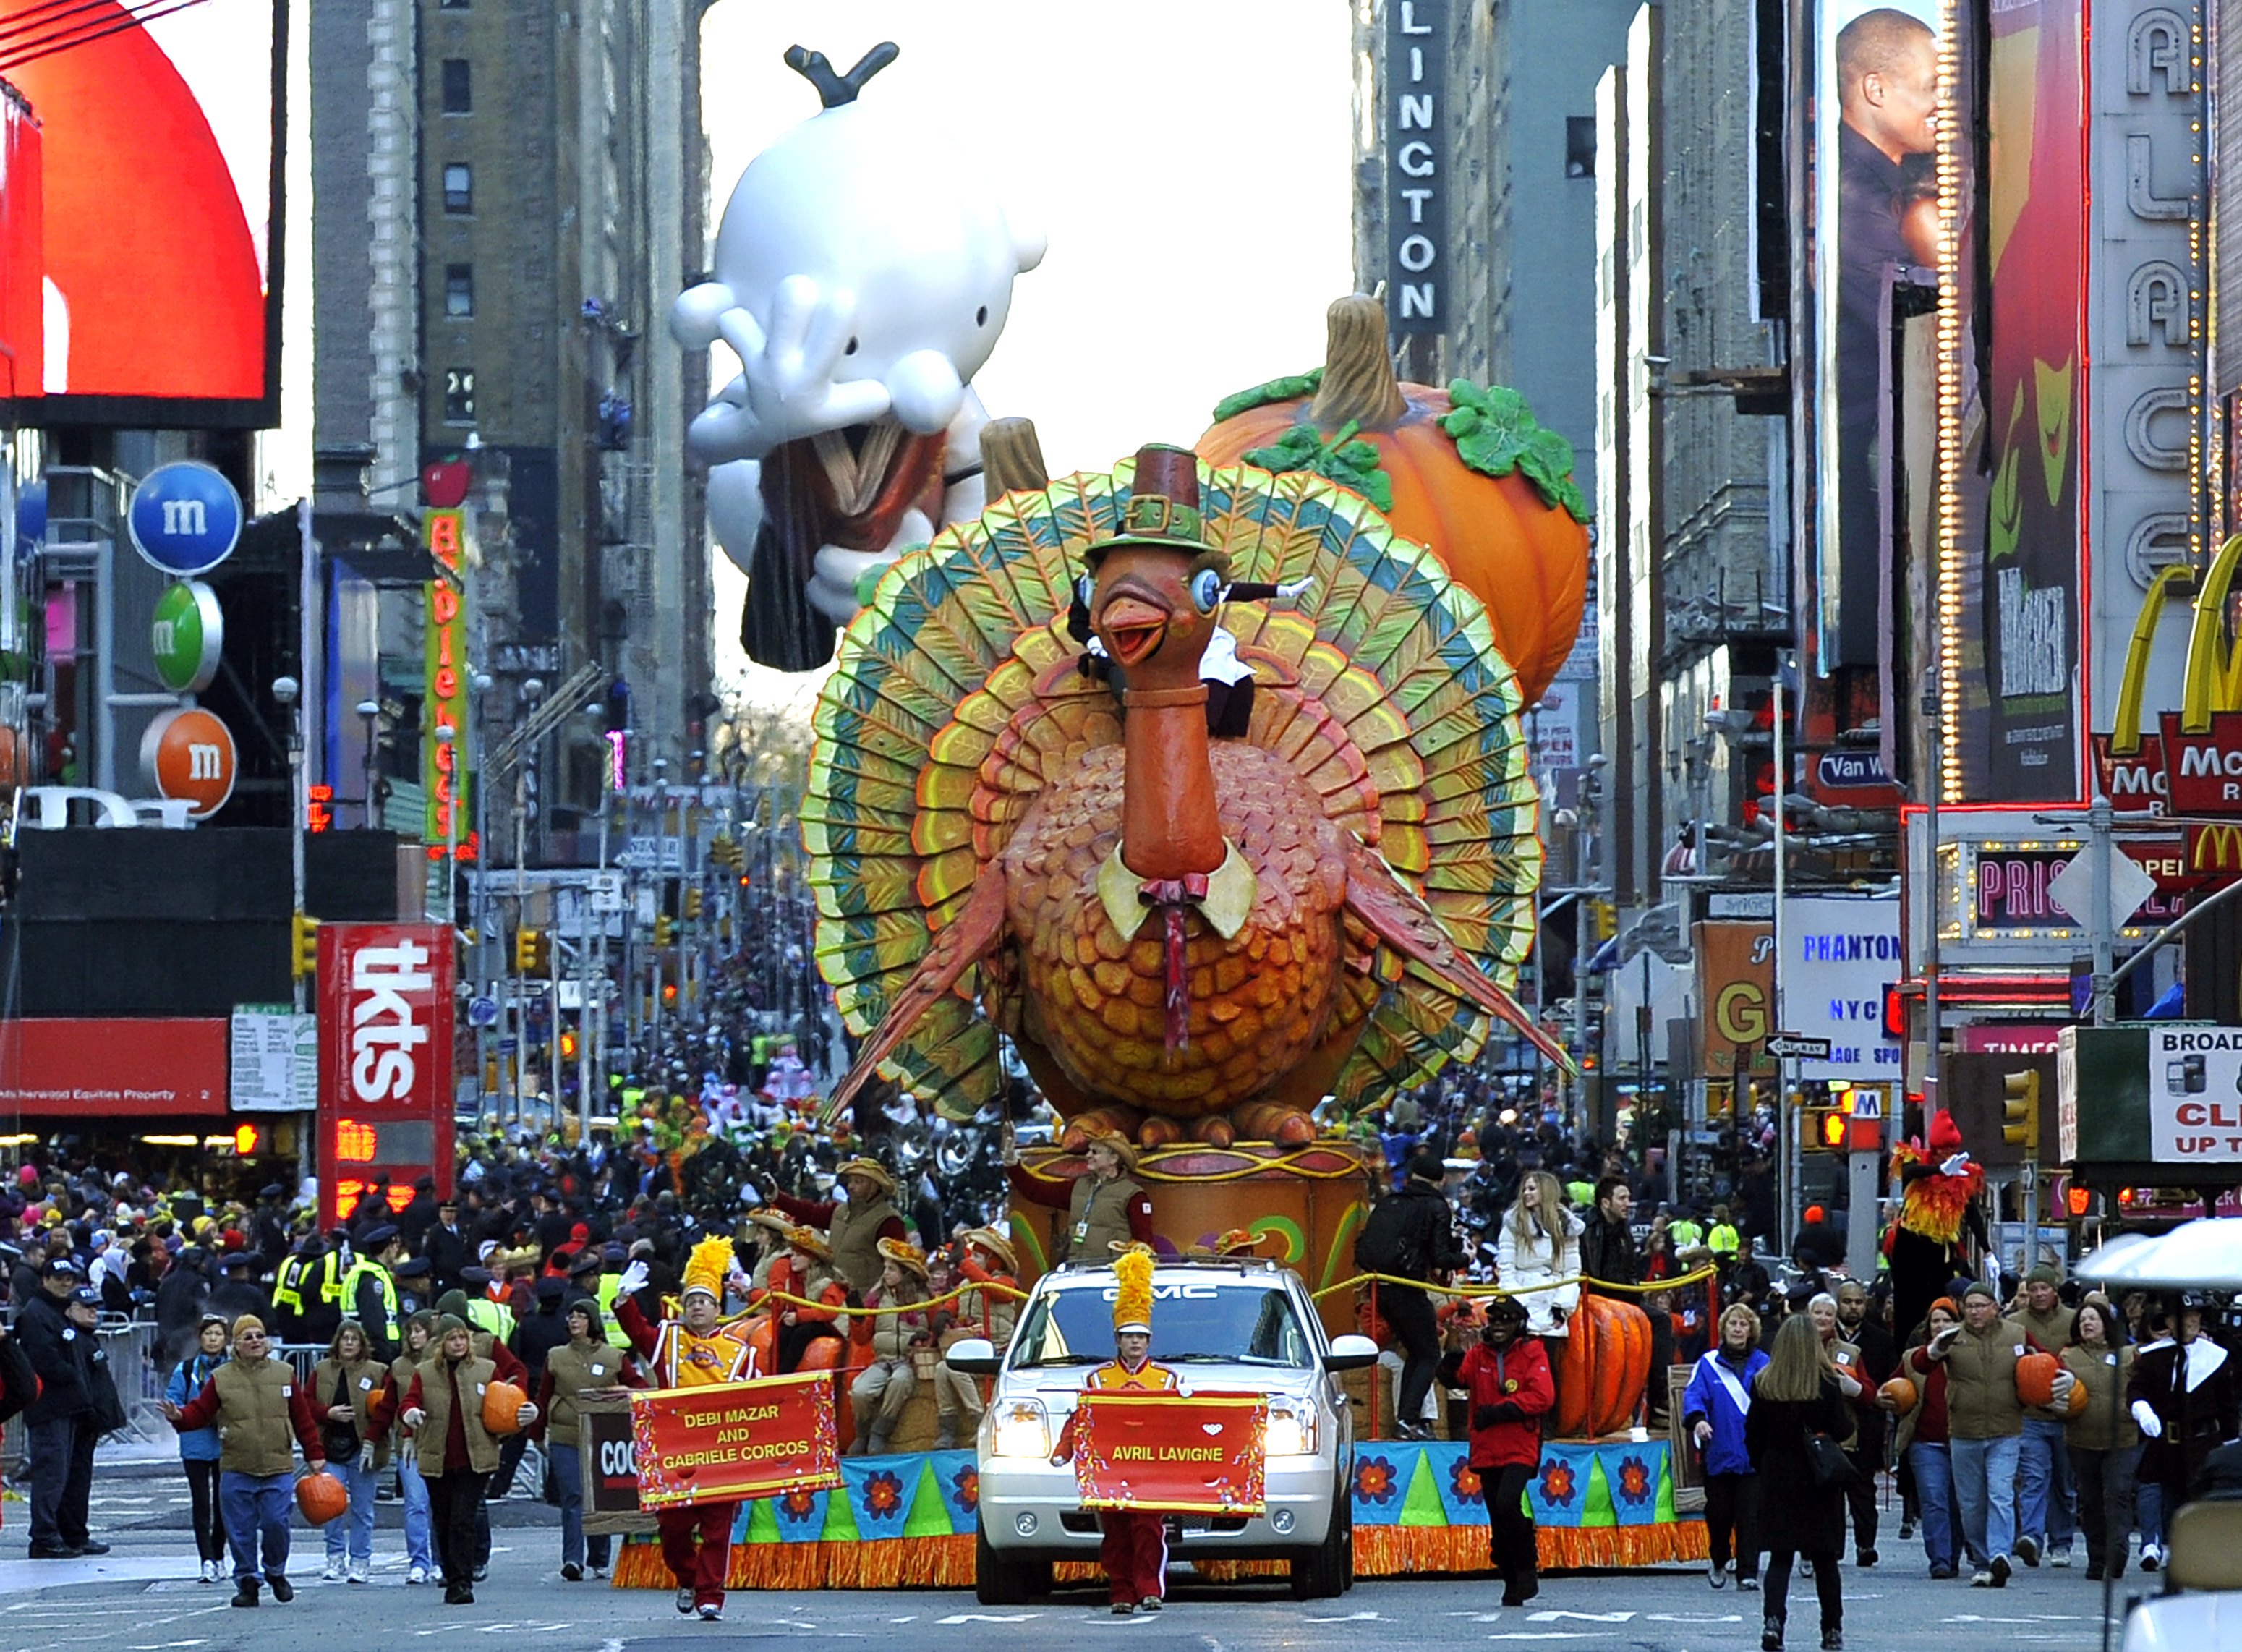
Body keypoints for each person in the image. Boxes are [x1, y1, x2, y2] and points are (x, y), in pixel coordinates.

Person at [613, 1238, 756, 1621]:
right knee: (673, 1529)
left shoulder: (740, 1351)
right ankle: (688, 1578)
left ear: (717, 1309)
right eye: (691, 1300)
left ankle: (712, 1595)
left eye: (704, 1301)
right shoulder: (666, 1338)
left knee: (717, 1527)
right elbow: (637, 1332)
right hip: (676, 1451)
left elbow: (758, 1400)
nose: (696, 1307)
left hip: (722, 1452)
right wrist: (623, 1299)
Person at [159, 1314, 328, 1609]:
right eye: (247, 1337)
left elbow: (302, 1419)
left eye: (259, 1336)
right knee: (240, 1529)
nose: (254, 1341)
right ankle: (248, 1581)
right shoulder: (221, 1378)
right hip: (237, 1464)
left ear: (267, 1342)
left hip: (277, 1465)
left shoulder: (284, 1373)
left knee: (277, 1523)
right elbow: (200, 1412)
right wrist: (179, 1417)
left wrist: (314, 1454)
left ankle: (275, 1571)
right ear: (235, 1344)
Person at [1049, 1246, 1176, 1615]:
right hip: (1109, 1469)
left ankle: (1150, 1589)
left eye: (1140, 1337)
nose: (1134, 1343)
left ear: (1149, 1341)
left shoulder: (1167, 1379)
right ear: (1117, 1340)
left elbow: (1181, 1426)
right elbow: (1081, 1419)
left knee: (1149, 1530)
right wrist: (1064, 1448)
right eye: (1128, 1336)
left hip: (1150, 1471)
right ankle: (1121, 1592)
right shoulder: (1098, 1377)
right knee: (1116, 1534)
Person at [396, 1314, 537, 1606]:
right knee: (444, 1519)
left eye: (462, 1338)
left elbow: (506, 1404)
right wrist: (409, 1416)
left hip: (476, 1457)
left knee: (463, 1519)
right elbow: (410, 1401)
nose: (458, 1343)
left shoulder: (486, 1370)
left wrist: (525, 1415)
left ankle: (462, 1582)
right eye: (452, 1338)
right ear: (441, 1343)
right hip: (438, 1456)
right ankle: (451, 1572)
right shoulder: (425, 1372)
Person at [1745, 1316, 1851, 1652]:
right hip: (1818, 1479)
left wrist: (1763, 1465)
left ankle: (1773, 1623)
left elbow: (1753, 1435)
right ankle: (1831, 1629)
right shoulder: (1827, 1383)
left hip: (1778, 1476)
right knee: (1824, 1561)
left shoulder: (1765, 1384)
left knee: (1780, 1559)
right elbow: (1844, 1429)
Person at [1926, 1281, 2030, 1587]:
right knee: (1971, 1503)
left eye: (1980, 1305)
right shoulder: (1953, 1337)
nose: (1974, 1311)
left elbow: (2045, 1361)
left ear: (1995, 1307)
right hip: (1964, 1431)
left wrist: (2059, 1379)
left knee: (2000, 1493)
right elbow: (1921, 1363)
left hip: (2005, 1429)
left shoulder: (2016, 1335)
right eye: (1969, 1306)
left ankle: (2000, 1554)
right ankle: (1983, 1561)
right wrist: (1935, 1350)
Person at [1355, 1151, 1466, 1439]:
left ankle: (1408, 1420)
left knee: (1416, 1353)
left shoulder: (1391, 1202)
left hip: (1384, 1288)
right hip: (1409, 1288)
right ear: (1440, 1180)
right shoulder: (1435, 1206)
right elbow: (1440, 1255)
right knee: (1429, 1354)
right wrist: (1462, 1256)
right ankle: (1408, 1420)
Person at [1456, 1295, 1555, 1606]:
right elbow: (1460, 1377)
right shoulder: (1478, 1354)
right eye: (1494, 1320)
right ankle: (1511, 1582)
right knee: (1498, 1516)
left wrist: (1500, 1411)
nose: (1498, 1326)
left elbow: (1543, 1397)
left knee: (1508, 1501)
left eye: (1505, 1321)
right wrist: (1445, 1365)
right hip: (1487, 1446)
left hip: (1520, 1445)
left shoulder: (1532, 1353)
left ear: (1518, 1324)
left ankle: (1526, 1564)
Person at [2128, 1292, 2241, 1561]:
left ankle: (2198, 1550)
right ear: (2169, 1322)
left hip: (2205, 1441)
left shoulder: (2216, 1357)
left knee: (2201, 1496)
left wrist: (2231, 1443)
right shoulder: (2153, 1357)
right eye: (2184, 1316)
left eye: (2194, 1315)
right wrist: (2143, 1411)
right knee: (2153, 1486)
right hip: (2166, 1438)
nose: (2191, 1321)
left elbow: (2227, 1403)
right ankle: (2154, 1543)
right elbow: (2136, 1390)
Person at [534, 1295, 639, 1581]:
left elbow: (639, 1388)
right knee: (573, 1495)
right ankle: (572, 1559)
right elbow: (543, 1395)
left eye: (580, 1316)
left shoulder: (613, 1357)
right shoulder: (556, 1356)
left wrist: (622, 1393)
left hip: (604, 1437)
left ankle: (599, 1557)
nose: (574, 1320)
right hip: (564, 1435)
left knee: (600, 1498)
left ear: (592, 1321)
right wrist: (536, 1432)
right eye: (571, 1316)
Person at [16, 1257, 103, 1559]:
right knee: (51, 1474)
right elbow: (43, 1359)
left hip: (67, 1405)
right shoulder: (35, 1314)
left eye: (70, 1278)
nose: (66, 1283)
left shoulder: (57, 1311)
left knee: (67, 1474)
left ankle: (66, 1533)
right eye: (60, 1278)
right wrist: (72, 1375)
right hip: (49, 1406)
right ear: (45, 1279)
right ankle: (44, 1536)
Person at [1685, 1302, 1768, 1592]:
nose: (1737, 1328)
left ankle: (1748, 1571)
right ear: (1724, 1329)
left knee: (1750, 1516)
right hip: (1719, 1453)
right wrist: (1698, 1421)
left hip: (1753, 1456)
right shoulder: (1707, 1365)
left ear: (1751, 1330)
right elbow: (1694, 1396)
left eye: (1743, 1324)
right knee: (1719, 1514)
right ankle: (1719, 1558)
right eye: (1733, 1323)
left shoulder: (1764, 1364)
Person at [1580, 1175, 1674, 1422]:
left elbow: (1631, 1272)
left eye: (1628, 1198)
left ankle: (1660, 1400)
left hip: (1623, 1299)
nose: (1627, 1203)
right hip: (1597, 1299)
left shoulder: (1624, 1232)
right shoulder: (1588, 1230)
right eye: (1622, 1198)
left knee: (1661, 1321)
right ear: (1605, 1203)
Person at [2060, 1298, 2138, 1583]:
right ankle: (2096, 1558)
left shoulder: (2129, 1354)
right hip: (2082, 1439)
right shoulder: (2069, 1357)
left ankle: (2118, 1552)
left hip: (2123, 1437)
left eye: (2093, 1319)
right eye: (2082, 1320)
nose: (2088, 1324)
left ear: (2106, 1323)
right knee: (2091, 1501)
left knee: (2117, 1493)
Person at [2007, 1264, 2078, 1567]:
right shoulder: (2014, 1325)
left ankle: (2060, 1542)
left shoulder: (2073, 1321)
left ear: (2054, 1290)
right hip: (2030, 1415)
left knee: (2063, 1482)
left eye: (2043, 1288)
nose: (2038, 1294)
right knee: (2034, 1478)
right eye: (2033, 1289)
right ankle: (2032, 1538)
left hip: (2066, 1413)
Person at [310, 1320, 385, 1583]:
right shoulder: (322, 1370)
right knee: (330, 1507)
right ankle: (334, 1556)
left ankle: (360, 1560)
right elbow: (306, 1402)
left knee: (363, 1509)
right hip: (330, 1448)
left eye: (354, 1339)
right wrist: (327, 1413)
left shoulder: (377, 1371)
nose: (350, 1343)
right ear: (337, 1342)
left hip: (361, 1448)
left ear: (362, 1343)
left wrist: (373, 1440)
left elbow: (385, 1408)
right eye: (345, 1338)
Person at [770, 1155, 908, 1295]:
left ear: (875, 1186)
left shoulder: (889, 1220)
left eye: (859, 1182)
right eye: (850, 1181)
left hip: (863, 1300)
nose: (850, 1186)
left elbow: (897, 1266)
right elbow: (808, 1212)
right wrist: (778, 1197)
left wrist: (876, 1298)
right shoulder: (839, 1211)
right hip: (832, 1293)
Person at [848, 1238, 934, 1456]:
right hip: (882, 1360)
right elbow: (862, 1337)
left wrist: (925, 1339)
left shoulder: (925, 1299)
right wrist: (856, 1318)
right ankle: (863, 1432)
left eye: (891, 1269)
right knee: (860, 1390)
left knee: (900, 1381)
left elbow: (936, 1330)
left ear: (904, 1272)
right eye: (885, 1268)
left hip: (908, 1361)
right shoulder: (876, 1298)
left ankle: (881, 1431)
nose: (885, 1273)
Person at [934, 1225, 1018, 1450]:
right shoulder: (966, 1284)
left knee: (954, 1366)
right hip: (970, 1347)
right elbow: (953, 1304)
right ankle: (948, 1427)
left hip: (997, 1349)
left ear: (994, 1260)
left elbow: (994, 1291)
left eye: (979, 1256)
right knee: (942, 1369)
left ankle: (979, 1419)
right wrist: (942, 1314)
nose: (973, 1259)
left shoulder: (1006, 1283)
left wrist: (964, 1264)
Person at [1897, 1298, 1963, 1578]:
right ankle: (1940, 1559)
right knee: (1934, 1500)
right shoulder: (1914, 1358)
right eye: (1935, 1321)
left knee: (1959, 1503)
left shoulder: (1966, 1355)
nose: (1940, 1326)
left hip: (1963, 1440)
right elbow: (1895, 1387)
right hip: (1926, 1443)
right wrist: (1888, 1398)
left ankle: (1955, 1553)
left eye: (1946, 1320)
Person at [165, 1312, 232, 1582]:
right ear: (200, 1337)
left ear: (225, 1339)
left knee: (224, 1503)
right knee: (201, 1504)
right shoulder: (187, 1369)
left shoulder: (233, 1368)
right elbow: (174, 1399)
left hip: (227, 1443)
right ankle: (206, 1560)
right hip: (195, 1443)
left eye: (218, 1334)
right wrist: (178, 1413)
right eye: (208, 1334)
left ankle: (219, 1555)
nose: (213, 1339)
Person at [1835, 1281, 1896, 1567]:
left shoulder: (1881, 1340)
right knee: (1831, 1489)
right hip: (1832, 1424)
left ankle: (1865, 1545)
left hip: (1867, 1424)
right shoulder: (1825, 1338)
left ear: (1866, 1304)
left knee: (1863, 1489)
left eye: (1858, 1302)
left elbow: (1890, 1381)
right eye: (1847, 1301)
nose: (1853, 1307)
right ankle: (1831, 1547)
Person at [1494, 1172, 1580, 1367]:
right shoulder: (1513, 1223)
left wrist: (1562, 1307)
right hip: (1521, 1300)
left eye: (1532, 1188)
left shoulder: (1567, 1225)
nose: (1526, 1193)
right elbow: (1506, 1269)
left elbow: (1572, 1271)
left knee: (1549, 1370)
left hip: (1553, 1300)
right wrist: (1518, 1305)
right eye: (1524, 1189)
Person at [383, 1312, 440, 1585]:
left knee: (440, 1505)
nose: (415, 1336)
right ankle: (419, 1561)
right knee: (415, 1504)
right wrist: (374, 1439)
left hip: (439, 1442)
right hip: (409, 1444)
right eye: (411, 1331)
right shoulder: (398, 1366)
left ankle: (442, 1560)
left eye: (420, 1331)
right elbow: (388, 1405)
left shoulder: (441, 1364)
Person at [1064, 1133, 1154, 1263]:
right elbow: (1038, 1192)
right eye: (1088, 1151)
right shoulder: (1079, 1186)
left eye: (1095, 1152)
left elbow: (1144, 1243)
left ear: (1113, 1159)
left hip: (1111, 1273)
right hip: (1076, 1268)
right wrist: (1022, 1163)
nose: (1088, 1155)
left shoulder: (1134, 1195)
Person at [345, 1225, 406, 1362]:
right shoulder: (371, 1279)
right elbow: (374, 1322)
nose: (397, 1251)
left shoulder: (370, 1273)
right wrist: (386, 1355)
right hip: (375, 1354)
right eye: (395, 1246)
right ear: (388, 1248)